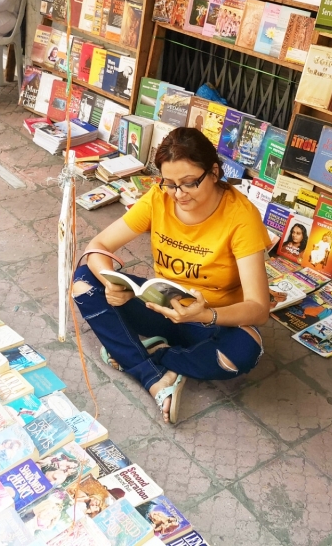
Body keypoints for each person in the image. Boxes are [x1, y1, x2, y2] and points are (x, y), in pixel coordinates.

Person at [72, 128, 271, 424]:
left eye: (189, 183)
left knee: (243, 352)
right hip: (158, 304)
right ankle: (152, 377)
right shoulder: (158, 200)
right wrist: (111, 282)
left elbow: (258, 307)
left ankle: (151, 354)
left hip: (209, 318)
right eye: (170, 184)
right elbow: (98, 246)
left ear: (213, 172)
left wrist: (207, 315)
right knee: (84, 281)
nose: (179, 194)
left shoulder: (241, 217)